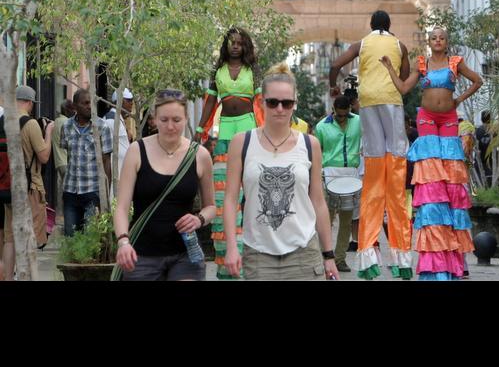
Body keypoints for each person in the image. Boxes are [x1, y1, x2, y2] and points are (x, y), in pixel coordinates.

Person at [380, 26, 483, 280]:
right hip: (426, 119)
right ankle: (435, 247)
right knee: (431, 178)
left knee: (450, 177)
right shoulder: (422, 63)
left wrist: (459, 100)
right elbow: (404, 88)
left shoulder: (455, 62)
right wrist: (390, 69)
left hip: (448, 118)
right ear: (429, 42)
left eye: (442, 38)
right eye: (434, 38)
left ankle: (454, 248)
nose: (438, 41)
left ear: (447, 42)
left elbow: (478, 81)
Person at [223, 63, 337, 280]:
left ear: (295, 103)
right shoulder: (242, 142)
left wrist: (329, 254)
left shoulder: (310, 144)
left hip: (304, 254)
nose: (280, 109)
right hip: (258, 254)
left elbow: (318, 202)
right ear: (261, 102)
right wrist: (231, 247)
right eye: (273, 102)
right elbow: (230, 199)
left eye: (287, 103)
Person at [328, 10, 414, 279]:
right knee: (396, 170)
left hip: (368, 103)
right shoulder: (400, 44)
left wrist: (335, 88)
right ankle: (402, 259)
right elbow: (405, 76)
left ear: (370, 25)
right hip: (391, 102)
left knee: (374, 172)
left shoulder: (361, 44)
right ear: (389, 26)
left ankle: (367, 258)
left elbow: (334, 66)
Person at [112, 89, 215, 281]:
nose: (170, 126)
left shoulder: (200, 155)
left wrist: (199, 219)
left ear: (186, 119)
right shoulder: (137, 151)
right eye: (164, 120)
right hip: (142, 255)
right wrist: (123, 242)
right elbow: (122, 207)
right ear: (154, 119)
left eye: (176, 120)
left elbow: (211, 207)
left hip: (186, 254)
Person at [196, 27, 263, 279]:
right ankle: (225, 258)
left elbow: (259, 104)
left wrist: (265, 132)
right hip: (225, 131)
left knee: (251, 188)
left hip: (249, 128)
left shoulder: (253, 70)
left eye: (239, 43)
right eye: (231, 43)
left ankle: (252, 254)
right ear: (226, 46)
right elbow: (211, 102)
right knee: (225, 192)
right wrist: (200, 129)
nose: (235, 46)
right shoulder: (217, 71)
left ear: (245, 46)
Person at [0, 85, 53, 280]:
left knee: (9, 238)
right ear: (29, 103)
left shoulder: (3, 121)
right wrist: (48, 132)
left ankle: (7, 276)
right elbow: (44, 156)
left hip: (7, 188)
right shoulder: (30, 124)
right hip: (30, 189)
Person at [313, 95, 361, 273]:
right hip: (329, 175)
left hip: (351, 176)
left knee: (347, 222)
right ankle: (324, 257)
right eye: (339, 115)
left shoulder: (358, 121)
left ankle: (340, 259)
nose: (342, 118)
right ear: (333, 109)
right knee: (325, 220)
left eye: (345, 115)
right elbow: (318, 153)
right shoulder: (321, 126)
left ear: (350, 110)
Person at [59, 89, 113, 236]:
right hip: (70, 191)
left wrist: (105, 195)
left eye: (92, 103)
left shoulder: (102, 127)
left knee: (91, 239)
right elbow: (68, 155)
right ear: (75, 106)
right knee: (71, 236)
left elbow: (107, 162)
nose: (90, 106)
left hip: (92, 192)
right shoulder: (66, 127)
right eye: (85, 103)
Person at [106, 87, 135, 176]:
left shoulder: (118, 120)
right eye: (129, 100)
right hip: (115, 174)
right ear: (120, 101)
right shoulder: (110, 121)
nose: (131, 103)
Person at [475, 110, 492, 186]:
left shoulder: (478, 131)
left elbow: (475, 145)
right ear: (490, 119)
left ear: (481, 119)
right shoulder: (494, 130)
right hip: (491, 160)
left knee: (481, 181)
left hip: (480, 160)